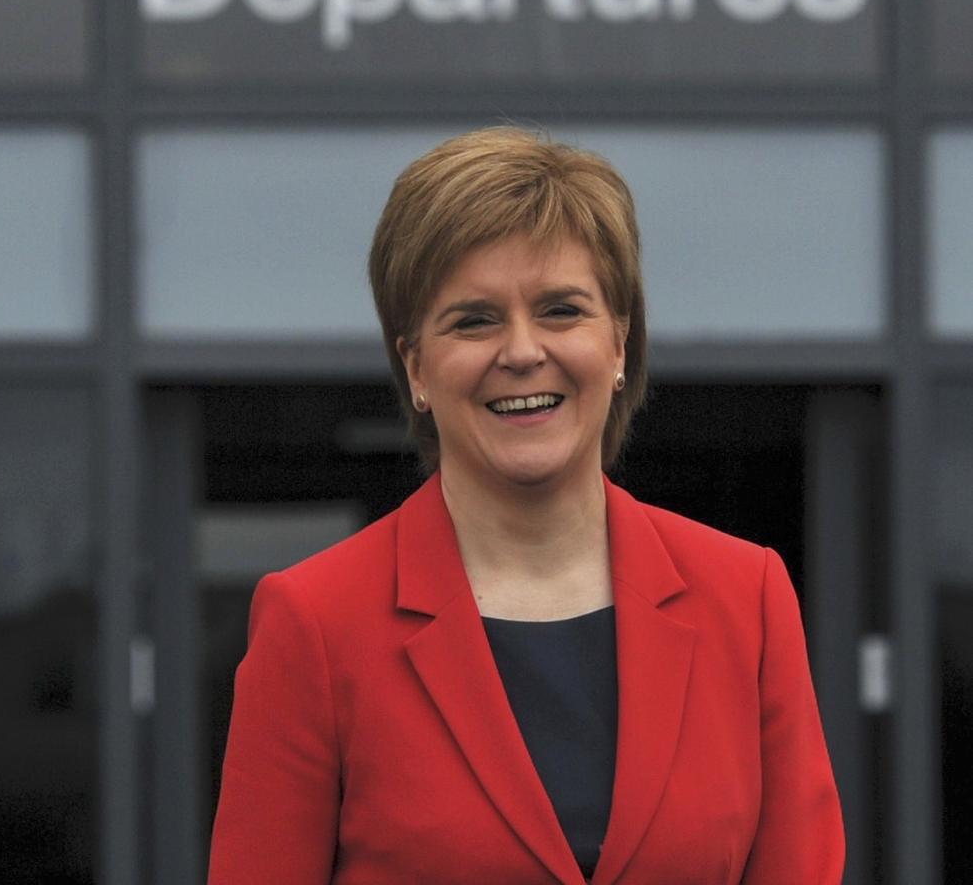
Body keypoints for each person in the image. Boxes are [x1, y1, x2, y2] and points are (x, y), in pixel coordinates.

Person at [207, 127, 843, 884]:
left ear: (618, 345)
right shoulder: (314, 623)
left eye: (561, 310)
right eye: (474, 319)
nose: (520, 351)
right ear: (415, 365)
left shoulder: (747, 599)